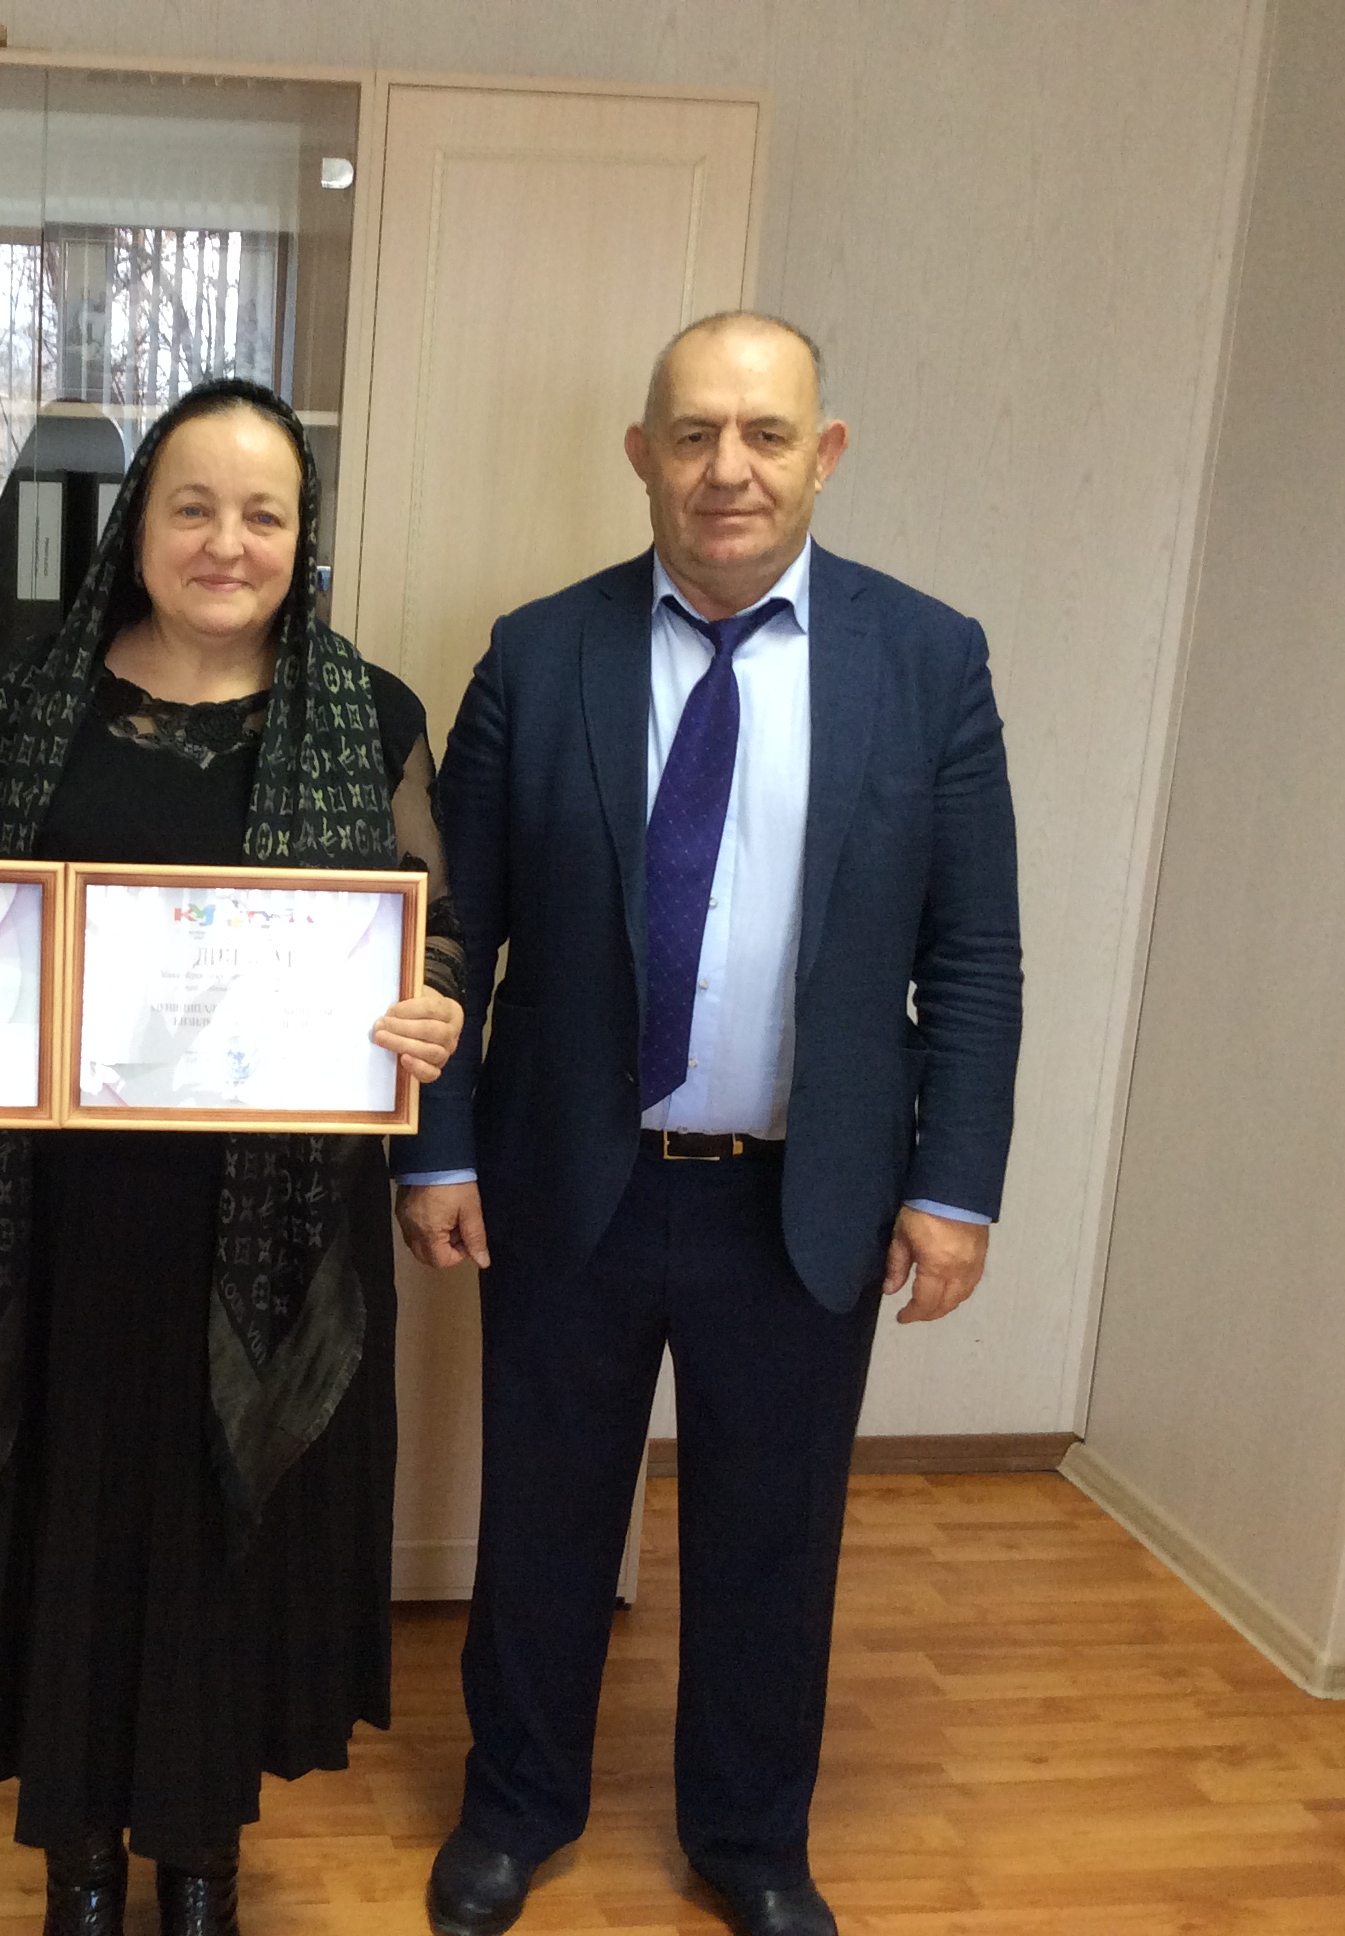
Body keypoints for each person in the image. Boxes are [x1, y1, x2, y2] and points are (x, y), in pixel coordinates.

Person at [404, 312, 1022, 1936]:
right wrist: (439, 1147)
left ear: (826, 455)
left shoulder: (928, 660)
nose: (726, 468)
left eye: (764, 434)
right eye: (692, 434)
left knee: (773, 1542)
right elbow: (452, 934)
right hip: (571, 1181)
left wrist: (956, 1187)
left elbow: (974, 951)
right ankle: (515, 1808)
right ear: (643, 455)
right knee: (544, 1524)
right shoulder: (540, 653)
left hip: (805, 1195)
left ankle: (751, 1841)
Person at [0, 377, 468, 1936]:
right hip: (68, 1227)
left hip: (276, 1232)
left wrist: (430, 1011)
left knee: (233, 1538)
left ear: (304, 537)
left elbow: (436, 932)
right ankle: (81, 1863)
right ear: (138, 525)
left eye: (264, 514)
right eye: (193, 508)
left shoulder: (370, 718)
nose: (228, 543)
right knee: (78, 1530)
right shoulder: (21, 715)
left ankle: (203, 1860)